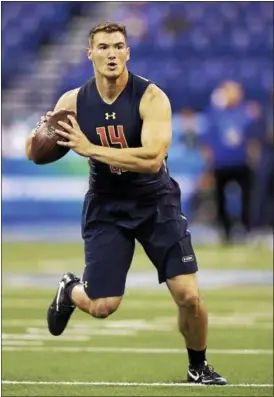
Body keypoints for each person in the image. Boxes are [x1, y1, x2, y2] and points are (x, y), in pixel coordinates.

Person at [25, 22, 227, 385]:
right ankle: (70, 289)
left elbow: (152, 158)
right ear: (90, 54)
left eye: (119, 46)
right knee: (102, 306)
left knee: (189, 297)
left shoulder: (151, 97)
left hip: (155, 200)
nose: (112, 54)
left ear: (128, 52)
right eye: (103, 47)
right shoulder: (72, 101)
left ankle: (198, 366)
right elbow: (33, 152)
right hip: (107, 204)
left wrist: (90, 149)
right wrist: (41, 133)